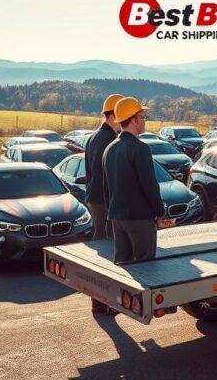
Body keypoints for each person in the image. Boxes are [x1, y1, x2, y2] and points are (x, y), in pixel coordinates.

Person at [104, 97, 165, 265]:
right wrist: (159, 211)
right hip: (140, 219)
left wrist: (113, 212)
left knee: (123, 266)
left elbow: (106, 188)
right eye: (143, 117)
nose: (145, 121)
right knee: (145, 269)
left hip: (118, 218)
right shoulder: (140, 148)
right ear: (133, 119)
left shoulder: (110, 148)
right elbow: (150, 185)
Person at [84, 93, 122, 315]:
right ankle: (100, 302)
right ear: (114, 115)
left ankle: (99, 302)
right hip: (103, 201)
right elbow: (105, 176)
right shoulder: (108, 139)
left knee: (102, 248)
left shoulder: (94, 136)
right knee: (105, 250)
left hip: (95, 199)